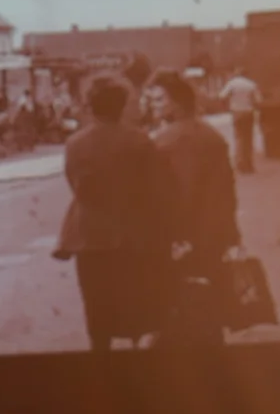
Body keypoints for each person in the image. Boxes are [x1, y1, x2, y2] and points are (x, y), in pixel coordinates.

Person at [52, 77, 168, 351]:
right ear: (122, 107)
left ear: (91, 108)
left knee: (96, 301)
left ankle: (100, 354)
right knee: (135, 299)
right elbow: (154, 189)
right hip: (132, 236)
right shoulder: (140, 141)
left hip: (90, 235)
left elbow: (75, 184)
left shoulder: (75, 143)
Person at [145, 68, 242, 347]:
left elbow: (178, 197)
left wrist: (176, 238)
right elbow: (228, 194)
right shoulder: (211, 136)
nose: (153, 105)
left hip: (182, 242)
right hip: (214, 237)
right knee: (209, 309)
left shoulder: (168, 141)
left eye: (159, 100)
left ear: (177, 101)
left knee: (178, 311)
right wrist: (232, 236)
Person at [220, 67, 262, 174]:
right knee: (248, 138)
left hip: (237, 113)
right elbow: (258, 100)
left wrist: (227, 106)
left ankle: (240, 164)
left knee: (239, 137)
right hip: (248, 113)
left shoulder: (232, 84)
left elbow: (222, 96)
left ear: (237, 74)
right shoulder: (251, 84)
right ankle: (249, 165)